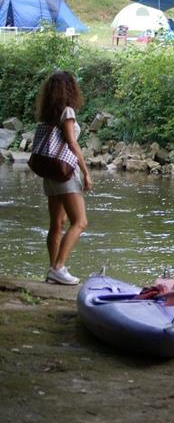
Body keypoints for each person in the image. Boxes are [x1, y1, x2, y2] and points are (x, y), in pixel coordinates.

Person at [36, 71, 92, 285]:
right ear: (69, 89)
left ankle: (53, 270)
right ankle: (58, 267)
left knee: (57, 223)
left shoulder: (49, 112)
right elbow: (72, 143)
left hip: (51, 171)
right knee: (80, 222)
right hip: (65, 171)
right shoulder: (67, 111)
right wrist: (86, 172)